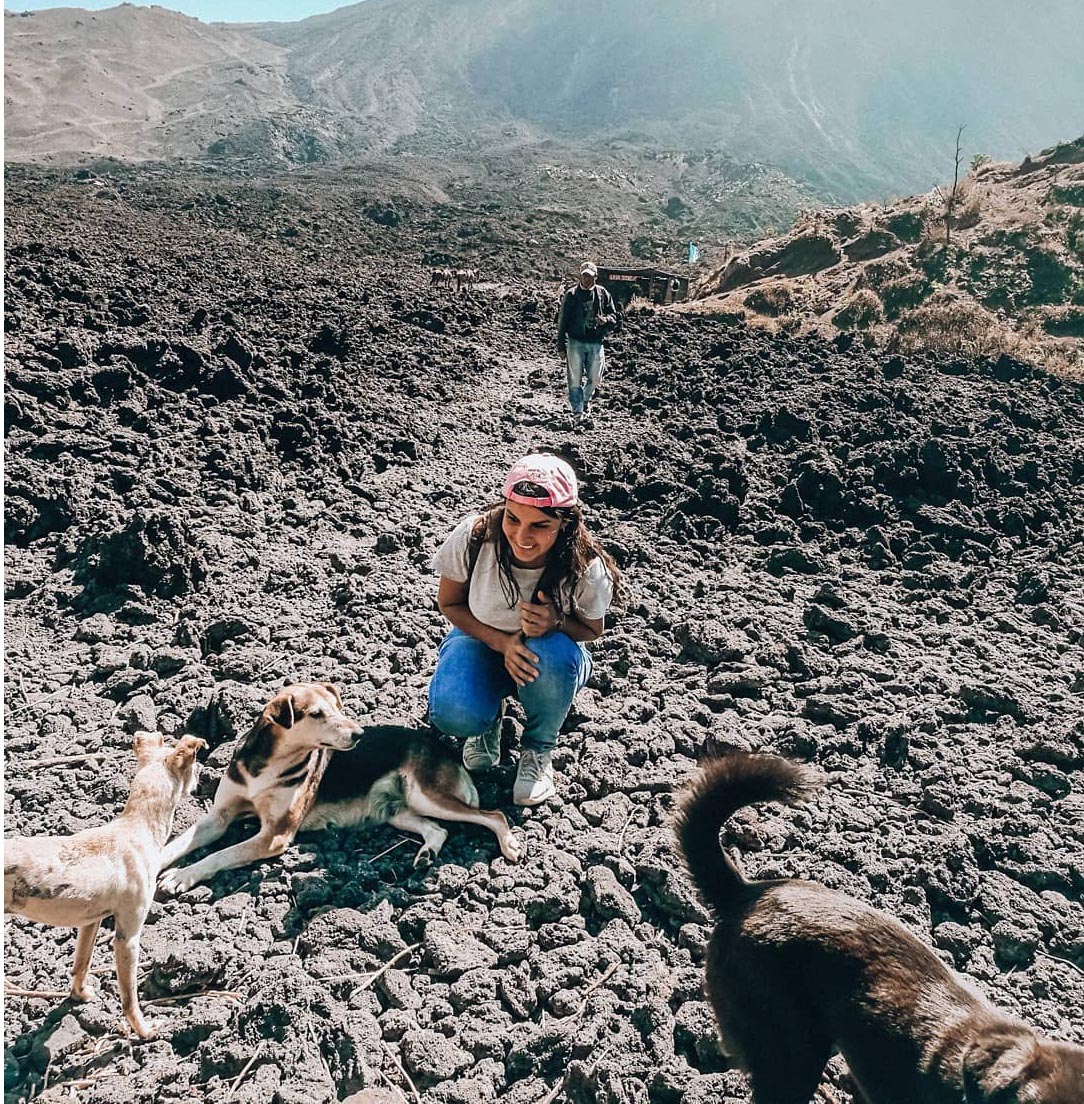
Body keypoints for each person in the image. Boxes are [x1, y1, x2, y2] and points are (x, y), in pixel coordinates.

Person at [428, 454, 622, 806]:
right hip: (481, 639)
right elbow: (450, 604)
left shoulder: (586, 565)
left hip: (546, 658)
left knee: (553, 652)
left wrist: (555, 623)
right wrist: (502, 643)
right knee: (451, 712)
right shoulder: (475, 538)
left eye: (539, 526)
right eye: (513, 518)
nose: (521, 535)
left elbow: (593, 630)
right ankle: (487, 725)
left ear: (565, 523)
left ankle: (537, 749)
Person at [556, 261, 620, 423]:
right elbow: (562, 322)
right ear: (580, 276)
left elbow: (614, 317)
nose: (586, 279)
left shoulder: (603, 294)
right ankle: (577, 411)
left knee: (595, 377)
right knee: (574, 378)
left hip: (595, 342)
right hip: (575, 342)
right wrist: (560, 345)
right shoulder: (571, 295)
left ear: (595, 277)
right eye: (584, 275)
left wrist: (604, 320)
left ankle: (585, 401)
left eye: (589, 276)